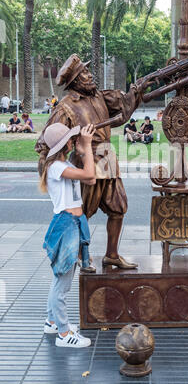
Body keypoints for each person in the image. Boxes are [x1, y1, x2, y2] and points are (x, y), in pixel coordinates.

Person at [36, 53, 147, 270]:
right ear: (75, 81)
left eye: (87, 70)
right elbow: (48, 139)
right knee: (83, 210)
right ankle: (79, 253)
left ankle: (112, 254)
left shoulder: (97, 97)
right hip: (86, 159)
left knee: (118, 208)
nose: (89, 75)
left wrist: (138, 90)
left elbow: (122, 110)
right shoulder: (66, 106)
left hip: (108, 160)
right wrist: (48, 167)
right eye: (84, 73)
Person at [41, 122, 96, 348]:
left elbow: (90, 179)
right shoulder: (55, 167)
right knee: (62, 282)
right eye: (71, 139)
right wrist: (88, 147)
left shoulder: (63, 163)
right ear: (63, 144)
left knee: (60, 279)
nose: (75, 141)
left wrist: (82, 152)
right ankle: (64, 335)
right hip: (66, 224)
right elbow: (90, 173)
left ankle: (52, 322)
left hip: (75, 222)